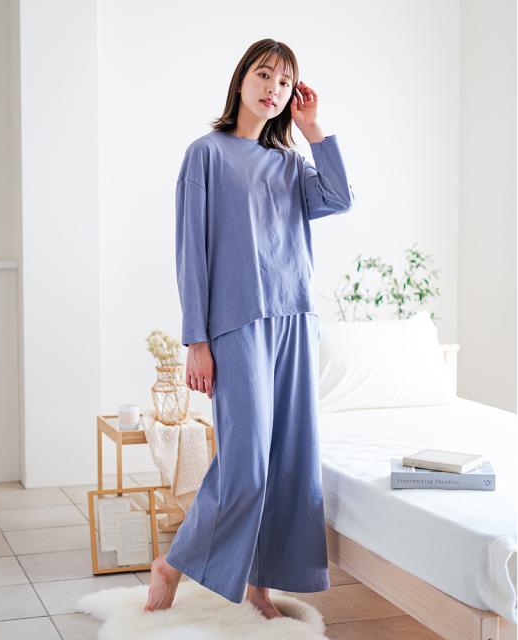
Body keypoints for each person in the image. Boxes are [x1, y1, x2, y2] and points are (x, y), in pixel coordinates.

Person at [145, 38, 355, 620]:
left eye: (285, 83)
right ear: (241, 79)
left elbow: (339, 199)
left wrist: (313, 130)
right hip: (236, 326)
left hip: (294, 322)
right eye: (264, 75)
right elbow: (191, 253)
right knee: (246, 465)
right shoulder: (205, 155)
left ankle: (262, 584)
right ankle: (173, 564)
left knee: (290, 462)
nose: (273, 89)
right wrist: (197, 340)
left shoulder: (290, 163)